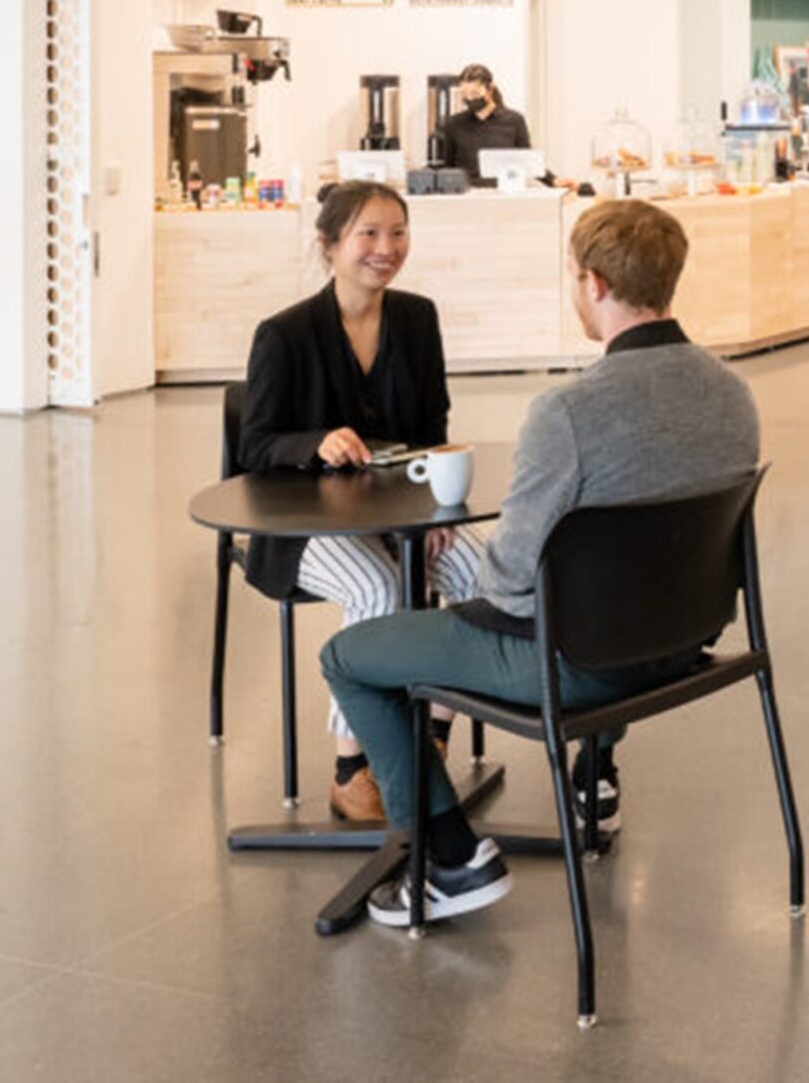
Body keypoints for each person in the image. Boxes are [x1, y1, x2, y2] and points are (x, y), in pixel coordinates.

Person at [319, 199, 762, 926]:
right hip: (683, 644)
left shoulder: (568, 413)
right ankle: (594, 772)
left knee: (350, 655)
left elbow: (511, 581)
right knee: (608, 596)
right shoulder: (731, 392)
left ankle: (452, 861)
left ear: (594, 283)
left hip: (579, 666)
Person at [238, 181, 482, 823]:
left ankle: (430, 738)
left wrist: (433, 510)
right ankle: (354, 768)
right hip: (302, 523)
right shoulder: (284, 334)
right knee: (378, 589)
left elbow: (432, 426)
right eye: (368, 234)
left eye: (398, 232)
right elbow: (254, 446)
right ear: (329, 244)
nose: (386, 248)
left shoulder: (418, 319)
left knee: (483, 574)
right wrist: (313, 442)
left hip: (401, 513)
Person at [441, 63, 533, 181]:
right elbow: (447, 167)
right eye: (464, 94)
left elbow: (527, 160)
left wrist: (552, 180)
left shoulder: (514, 121)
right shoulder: (454, 124)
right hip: (467, 190)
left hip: (504, 188)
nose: (470, 99)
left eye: (475, 93)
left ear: (490, 90)